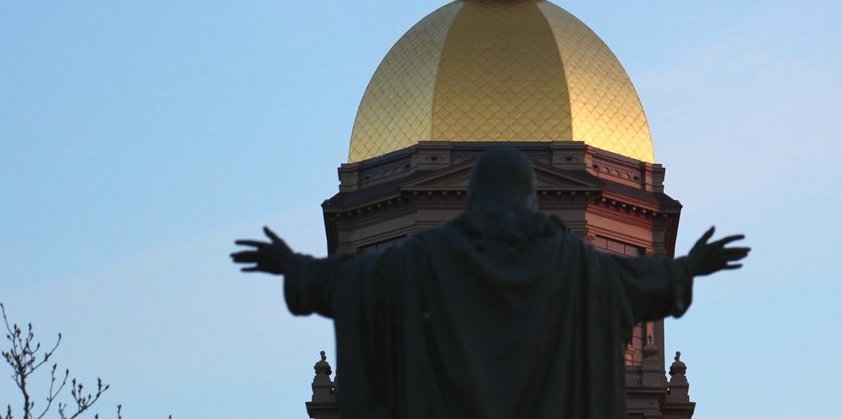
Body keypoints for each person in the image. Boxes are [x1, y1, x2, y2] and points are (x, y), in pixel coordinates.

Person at [232, 149, 749, 419]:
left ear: (474, 196)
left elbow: (359, 278)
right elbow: (633, 279)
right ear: (529, 197)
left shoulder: (424, 260)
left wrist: (292, 266)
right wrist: (691, 267)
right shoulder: (574, 265)